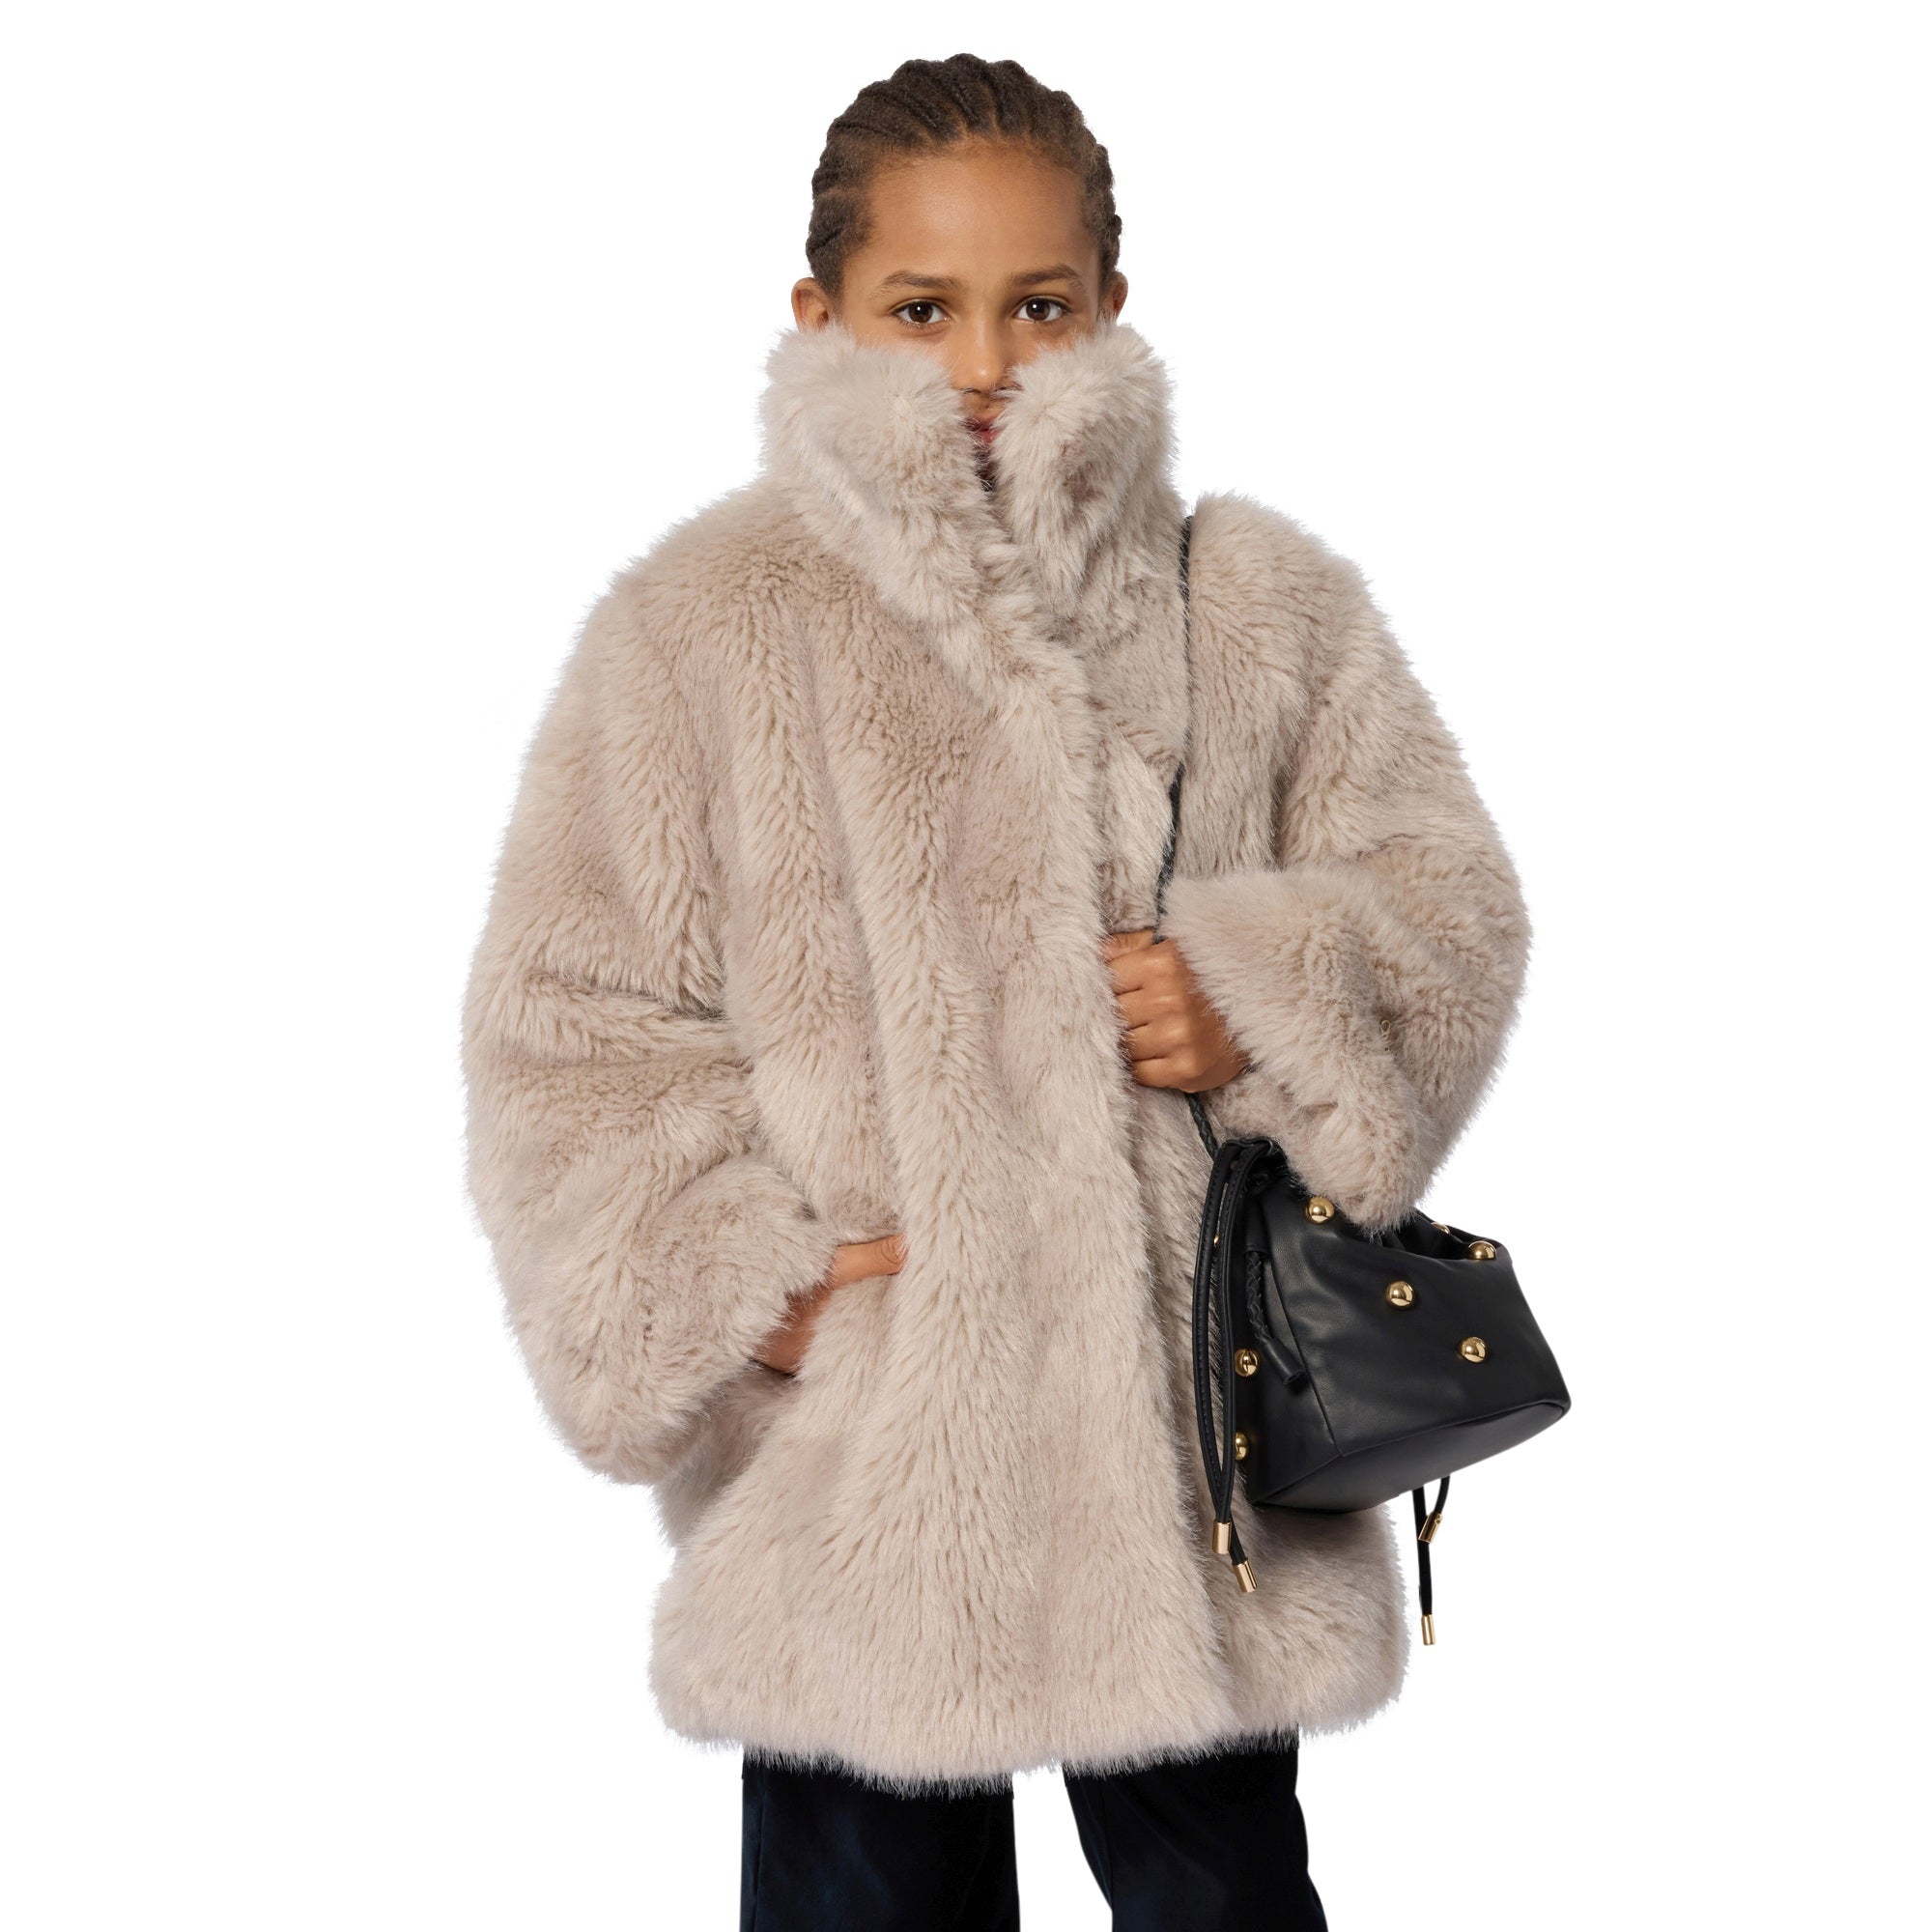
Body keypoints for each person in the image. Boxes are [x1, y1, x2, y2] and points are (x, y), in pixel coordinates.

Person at [462, 53, 1529, 1931]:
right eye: (920, 308)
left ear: (1109, 307)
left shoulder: (1247, 599)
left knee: (1219, 1898)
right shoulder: (700, 630)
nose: (980, 363)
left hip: (1192, 1461)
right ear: (821, 315)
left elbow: (1447, 903)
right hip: (874, 1474)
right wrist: (745, 1284)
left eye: (1035, 306)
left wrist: (1257, 997)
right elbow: (569, 1026)